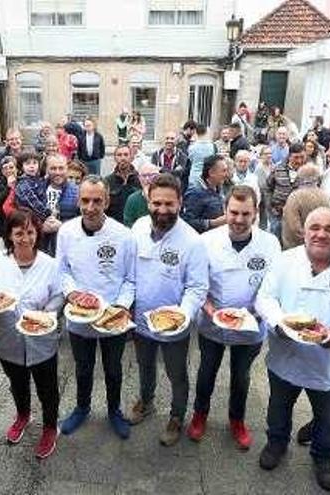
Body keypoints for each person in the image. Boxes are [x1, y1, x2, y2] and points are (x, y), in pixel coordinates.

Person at [255, 207, 330, 491]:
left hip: (327, 362)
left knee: (326, 415)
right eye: (315, 227)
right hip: (285, 355)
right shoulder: (284, 261)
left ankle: (323, 458)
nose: (321, 234)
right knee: (278, 406)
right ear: (304, 232)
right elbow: (265, 297)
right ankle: (276, 442)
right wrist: (278, 323)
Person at [186, 186, 280, 450]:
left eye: (245, 214)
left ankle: (237, 420)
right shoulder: (207, 241)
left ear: (255, 212)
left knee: (241, 375)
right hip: (211, 321)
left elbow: (273, 285)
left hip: (251, 324)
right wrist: (209, 308)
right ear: (225, 210)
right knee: (207, 371)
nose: (238, 220)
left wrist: (257, 312)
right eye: (233, 213)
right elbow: (196, 282)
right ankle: (199, 414)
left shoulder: (270, 243)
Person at [128, 173, 209, 447]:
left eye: (169, 204)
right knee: (145, 365)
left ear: (180, 203)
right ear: (148, 202)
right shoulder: (138, 227)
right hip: (140, 320)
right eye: (156, 203)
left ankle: (176, 416)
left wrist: (182, 315)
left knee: (176, 373)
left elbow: (197, 288)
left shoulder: (193, 241)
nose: (162, 210)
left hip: (174, 323)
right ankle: (147, 401)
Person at [0, 208, 63, 458]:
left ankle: (50, 427)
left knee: (47, 387)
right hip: (8, 337)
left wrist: (46, 314)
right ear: (9, 235)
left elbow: (59, 296)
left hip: (42, 338)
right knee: (17, 382)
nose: (25, 238)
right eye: (18, 233)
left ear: (37, 233)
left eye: (29, 232)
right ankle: (23, 415)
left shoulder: (50, 264)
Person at [57, 177, 137, 439]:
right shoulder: (66, 232)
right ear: (78, 200)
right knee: (83, 367)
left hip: (112, 314)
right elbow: (62, 271)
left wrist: (121, 306)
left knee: (113, 369)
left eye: (97, 201)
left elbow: (130, 279)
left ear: (107, 201)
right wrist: (72, 293)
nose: (90, 207)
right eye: (85, 200)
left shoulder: (124, 236)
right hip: (79, 314)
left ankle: (114, 410)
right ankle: (82, 407)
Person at [266, 143, 308, 239]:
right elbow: (268, 187)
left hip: (298, 218)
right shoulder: (277, 169)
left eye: (302, 157)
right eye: (296, 157)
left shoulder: (308, 172)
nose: (299, 160)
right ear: (289, 156)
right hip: (277, 215)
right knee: (276, 241)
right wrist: (270, 206)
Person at [182, 155, 228, 234]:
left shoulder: (219, 188)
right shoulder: (195, 193)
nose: (226, 174)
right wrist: (213, 223)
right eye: (223, 171)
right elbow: (187, 222)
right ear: (211, 173)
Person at [281, 185, 330, 250]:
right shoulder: (326, 196)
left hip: (297, 247)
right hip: (320, 247)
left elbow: (294, 228)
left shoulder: (295, 197)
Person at [104, 144, 140, 224]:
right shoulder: (107, 181)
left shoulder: (140, 180)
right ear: (115, 158)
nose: (123, 158)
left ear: (131, 157)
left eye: (126, 155)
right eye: (119, 155)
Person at [123, 162, 159, 228]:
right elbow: (128, 224)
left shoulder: (166, 197)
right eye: (144, 176)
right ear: (139, 178)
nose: (147, 179)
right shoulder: (132, 199)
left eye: (151, 175)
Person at [255, 145, 274, 230]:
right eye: (266, 154)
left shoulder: (273, 166)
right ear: (262, 155)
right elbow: (261, 184)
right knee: (263, 220)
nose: (269, 155)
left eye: (270, 153)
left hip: (272, 197)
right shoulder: (259, 168)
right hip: (263, 198)